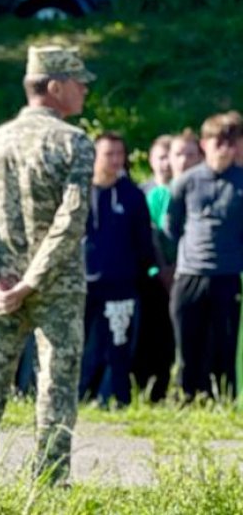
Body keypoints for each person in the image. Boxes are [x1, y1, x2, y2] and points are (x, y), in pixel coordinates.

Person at [0, 45, 95, 483]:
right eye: (78, 81)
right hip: (56, 288)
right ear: (55, 87)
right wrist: (31, 283)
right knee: (55, 387)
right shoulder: (74, 143)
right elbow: (71, 220)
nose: (85, 89)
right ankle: (50, 484)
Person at [165, 113, 243, 401]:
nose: (224, 148)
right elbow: (171, 225)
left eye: (230, 141)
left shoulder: (240, 182)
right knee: (187, 343)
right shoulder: (186, 181)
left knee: (224, 343)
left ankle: (222, 399)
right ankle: (186, 397)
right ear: (204, 144)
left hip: (227, 274)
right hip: (189, 274)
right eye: (218, 141)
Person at [79, 132, 156, 407]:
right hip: (81, 283)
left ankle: (115, 399)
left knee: (118, 344)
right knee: (81, 344)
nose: (114, 160)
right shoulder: (78, 192)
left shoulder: (132, 196)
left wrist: (142, 273)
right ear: (94, 157)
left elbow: (144, 243)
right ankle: (77, 396)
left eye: (119, 154)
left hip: (120, 283)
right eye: (108, 154)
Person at [134, 130, 202, 401]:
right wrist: (160, 269)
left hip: (185, 273)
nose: (169, 163)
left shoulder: (191, 189)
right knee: (152, 335)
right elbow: (146, 236)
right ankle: (149, 389)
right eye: (164, 156)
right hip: (151, 276)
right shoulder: (143, 193)